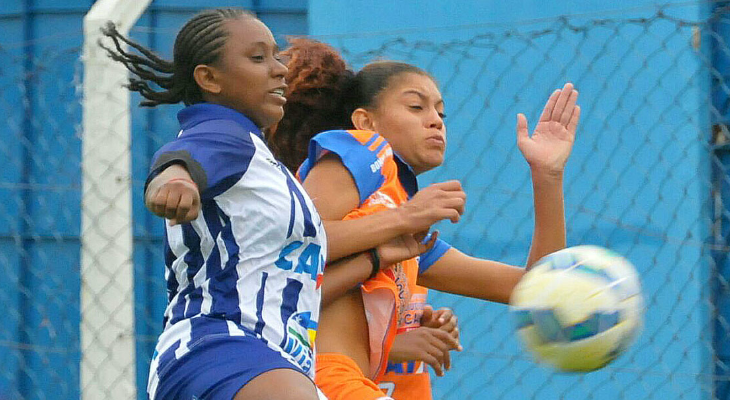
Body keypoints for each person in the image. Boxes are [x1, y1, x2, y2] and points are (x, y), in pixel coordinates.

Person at [273, 39, 580, 400]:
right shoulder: (359, 149)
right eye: (416, 106)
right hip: (321, 377)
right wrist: (406, 217)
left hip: (348, 383)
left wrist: (547, 175)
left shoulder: (407, 235)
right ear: (365, 121)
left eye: (440, 112)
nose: (435, 119)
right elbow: (293, 255)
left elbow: (536, 290)